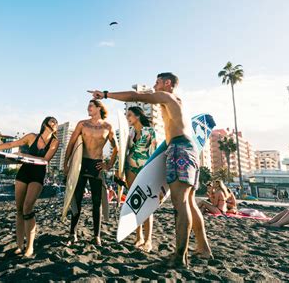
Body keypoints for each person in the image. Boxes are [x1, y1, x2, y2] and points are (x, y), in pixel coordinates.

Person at [88, 72, 212, 267]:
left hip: (179, 148)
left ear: (167, 83)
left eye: (157, 82)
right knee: (189, 201)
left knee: (180, 203)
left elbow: (136, 96)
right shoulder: (178, 103)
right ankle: (203, 248)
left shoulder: (167, 96)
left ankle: (180, 256)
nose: (154, 86)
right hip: (188, 148)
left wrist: (105, 94)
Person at [0, 117, 59, 258]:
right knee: (19, 209)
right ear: (44, 124)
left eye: (56, 122)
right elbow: (13, 144)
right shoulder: (32, 137)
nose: (55, 123)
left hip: (38, 175)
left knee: (28, 208)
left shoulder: (55, 142)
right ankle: (20, 246)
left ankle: (30, 247)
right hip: (24, 172)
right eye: (52, 121)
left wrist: (22, 155)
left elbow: (45, 160)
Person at [63, 100, 118, 246]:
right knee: (77, 199)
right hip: (81, 163)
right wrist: (66, 163)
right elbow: (71, 144)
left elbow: (116, 148)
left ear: (99, 108)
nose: (88, 108)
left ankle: (96, 236)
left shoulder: (108, 127)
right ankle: (72, 234)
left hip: (97, 165)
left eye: (91, 106)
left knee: (96, 202)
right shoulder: (82, 124)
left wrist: (109, 164)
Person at [118, 106, 157, 252]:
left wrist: (153, 173)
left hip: (145, 170)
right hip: (130, 169)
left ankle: (148, 240)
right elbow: (126, 151)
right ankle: (138, 237)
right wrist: (120, 171)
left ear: (138, 116)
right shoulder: (131, 132)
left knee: (147, 204)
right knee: (135, 203)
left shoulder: (150, 131)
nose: (127, 117)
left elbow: (154, 152)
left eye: (130, 115)